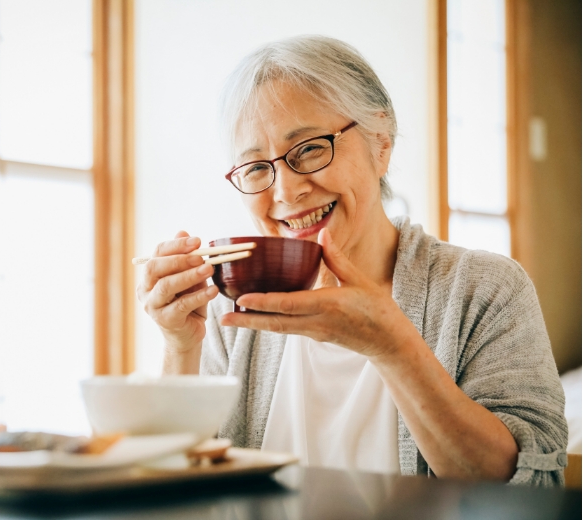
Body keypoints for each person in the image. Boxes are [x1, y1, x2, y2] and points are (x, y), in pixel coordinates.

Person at [136, 35, 567, 485]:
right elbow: (177, 489)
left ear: (381, 142)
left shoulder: (486, 289)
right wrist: (180, 346)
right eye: (258, 168)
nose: (285, 192)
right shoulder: (235, 310)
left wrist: (393, 347)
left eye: (308, 149)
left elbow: (533, 489)